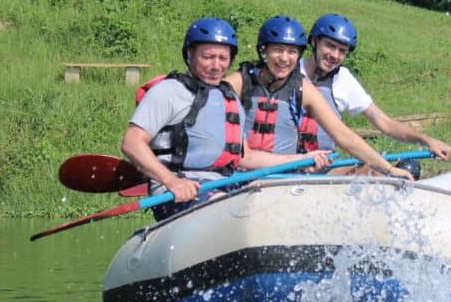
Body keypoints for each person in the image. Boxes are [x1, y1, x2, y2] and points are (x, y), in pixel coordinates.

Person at [122, 17, 332, 221]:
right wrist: (172, 181)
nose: (216, 66)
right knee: (234, 209)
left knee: (272, 205)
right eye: (207, 57)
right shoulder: (168, 92)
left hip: (224, 186)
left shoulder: (229, 98)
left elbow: (246, 158)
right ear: (190, 55)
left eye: (223, 59)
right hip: (179, 190)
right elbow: (132, 143)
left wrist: (304, 160)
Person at [223, 15, 414, 180]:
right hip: (243, 176)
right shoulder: (238, 83)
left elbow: (343, 135)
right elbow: (243, 157)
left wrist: (387, 169)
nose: (284, 58)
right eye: (277, 50)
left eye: (291, 52)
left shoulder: (302, 87)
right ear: (263, 50)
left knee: (392, 171)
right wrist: (301, 161)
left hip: (286, 177)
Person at [302, 13, 451, 177]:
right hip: (284, 166)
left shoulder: (343, 80)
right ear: (314, 41)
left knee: (384, 173)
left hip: (324, 168)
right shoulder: (289, 71)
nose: (335, 56)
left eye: (342, 51)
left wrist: (426, 140)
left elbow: (385, 122)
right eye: (330, 46)